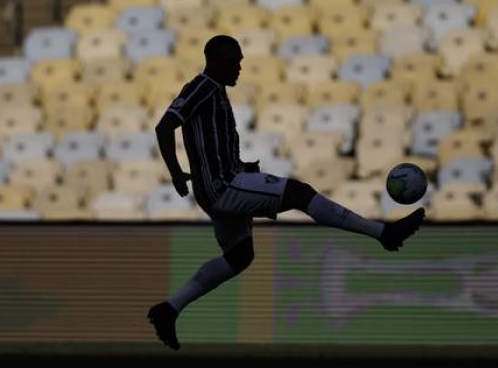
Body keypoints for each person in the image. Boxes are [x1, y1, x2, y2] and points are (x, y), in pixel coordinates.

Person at [147, 34, 425, 350]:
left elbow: (205, 143)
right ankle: (384, 233)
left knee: (240, 256)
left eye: (240, 60)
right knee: (298, 193)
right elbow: (164, 126)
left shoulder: (216, 91)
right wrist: (175, 173)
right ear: (214, 60)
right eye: (233, 60)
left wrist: (238, 165)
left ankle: (169, 309)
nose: (239, 66)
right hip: (222, 186)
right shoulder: (202, 87)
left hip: (221, 185)